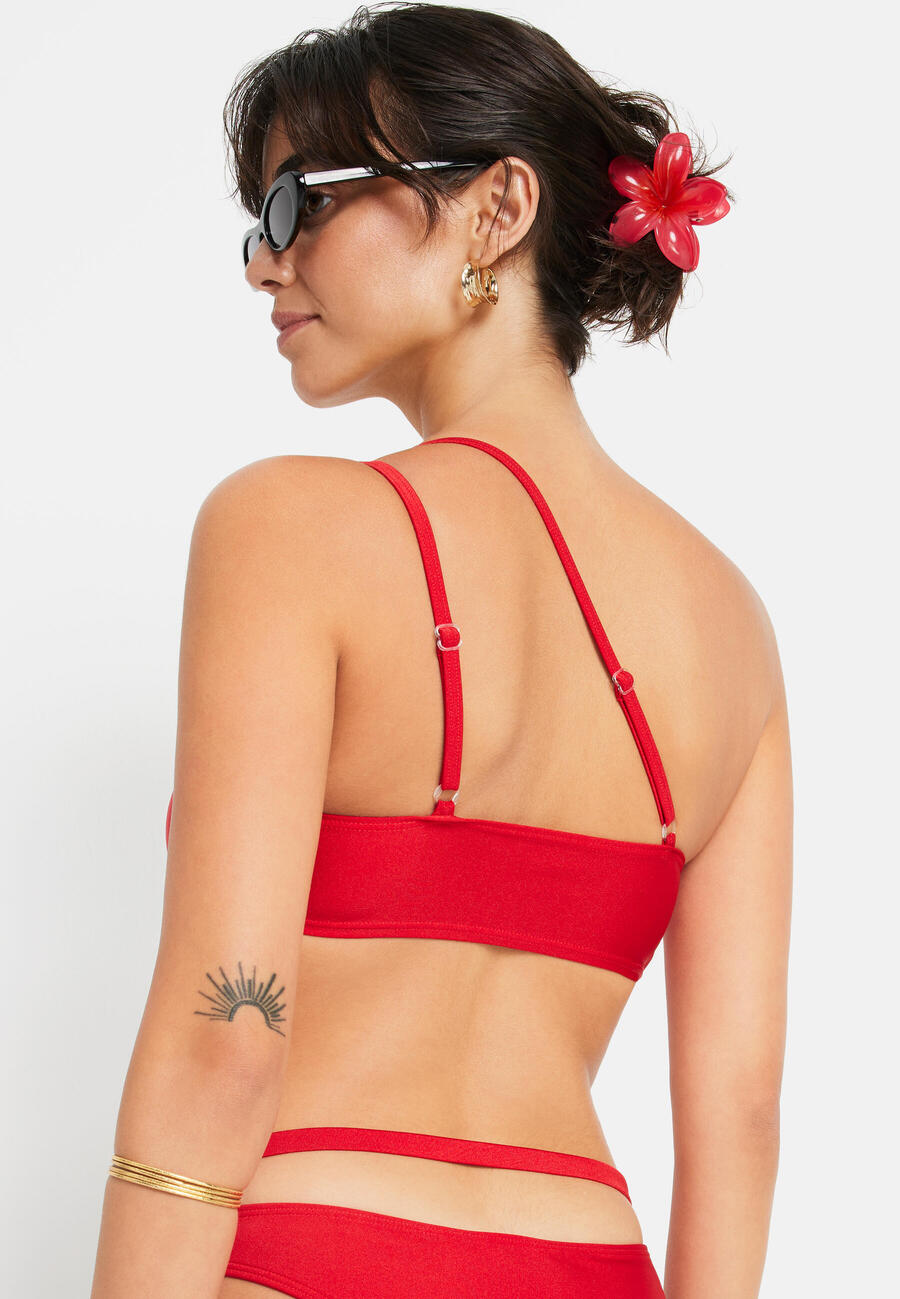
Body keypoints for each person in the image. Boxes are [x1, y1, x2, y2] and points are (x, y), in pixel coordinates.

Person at [90, 4, 792, 1297]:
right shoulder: (731, 624)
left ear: (497, 207)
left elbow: (225, 1041)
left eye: (300, 201)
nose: (264, 262)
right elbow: (740, 1115)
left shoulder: (287, 528)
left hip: (320, 1250)